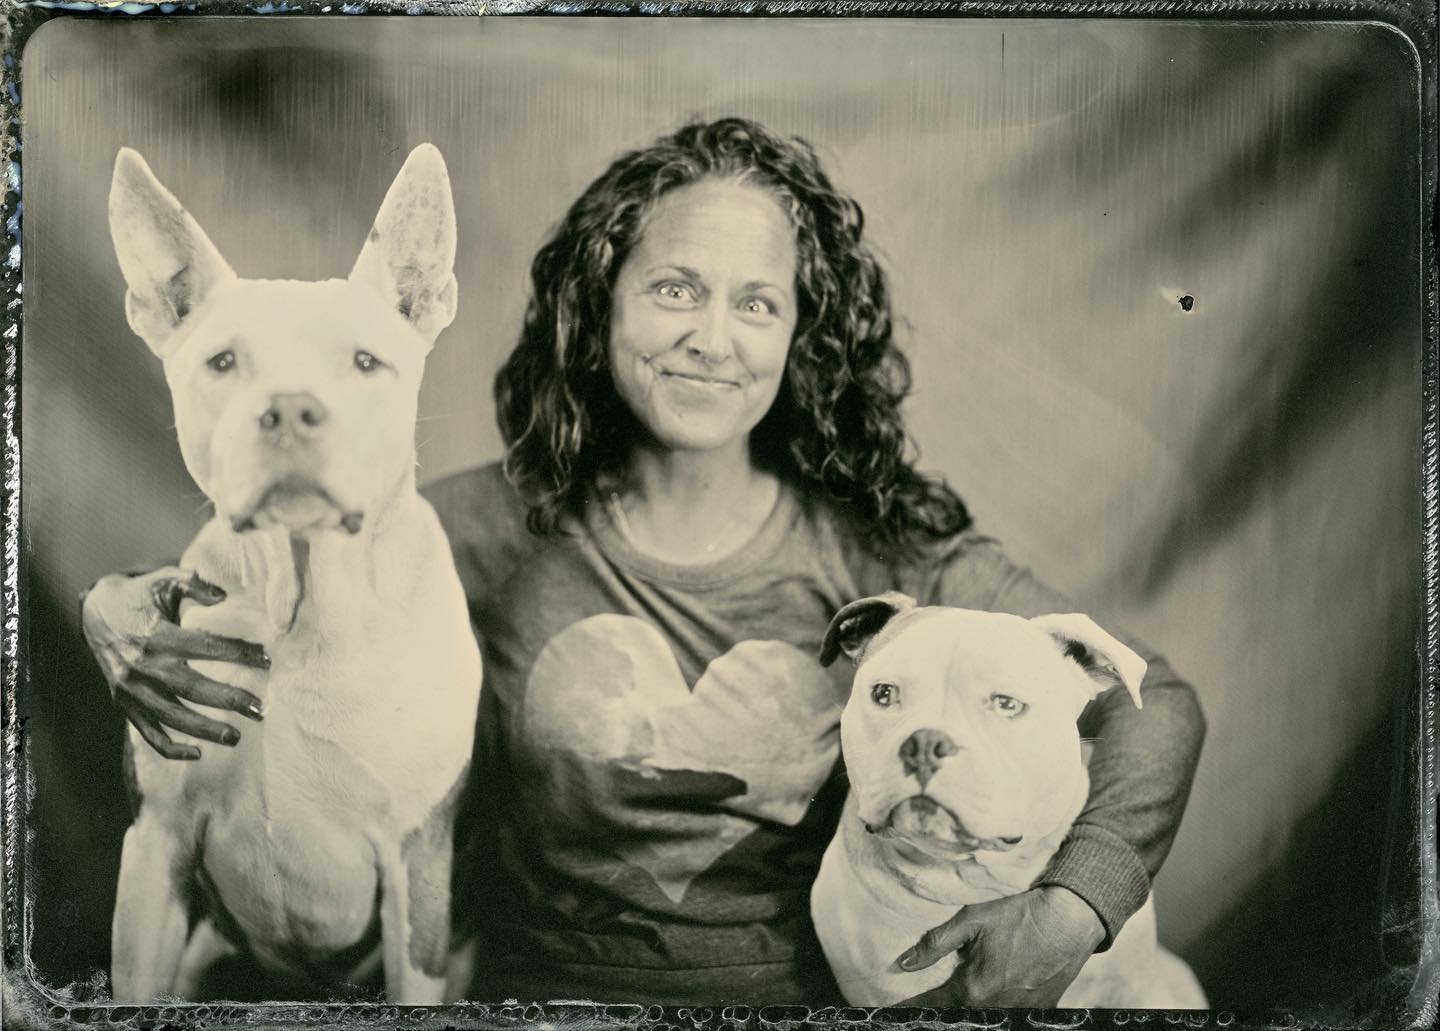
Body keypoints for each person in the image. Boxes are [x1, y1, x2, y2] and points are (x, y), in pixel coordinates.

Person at [80, 117, 1205, 1006]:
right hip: (533, 1000)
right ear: (597, 301)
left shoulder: (876, 545)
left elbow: (1156, 705)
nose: (712, 336)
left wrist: (1069, 912)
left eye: (756, 302)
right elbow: (280, 556)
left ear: (798, 332)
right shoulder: (479, 526)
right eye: (675, 288)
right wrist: (116, 607)